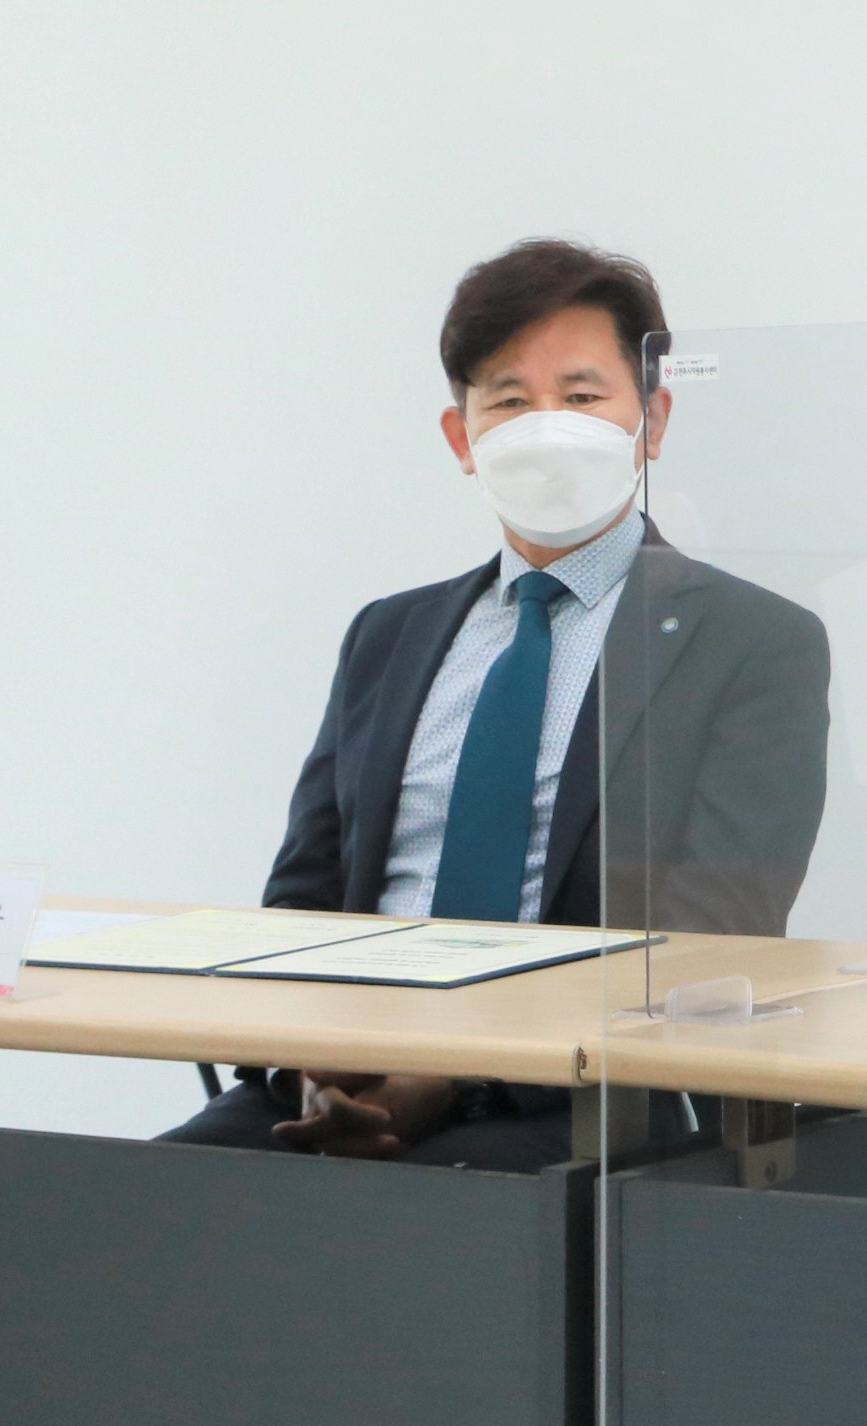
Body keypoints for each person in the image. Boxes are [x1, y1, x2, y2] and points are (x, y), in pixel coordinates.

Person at [160, 239, 830, 1172]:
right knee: (137, 1202)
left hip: (575, 1096)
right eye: (510, 401)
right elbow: (303, 900)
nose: (546, 426)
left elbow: (711, 944)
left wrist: (458, 1081)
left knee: (442, 1220)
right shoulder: (387, 635)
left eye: (582, 395)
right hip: (341, 1076)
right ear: (461, 438)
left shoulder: (751, 641)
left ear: (653, 419)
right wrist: (311, 1069)